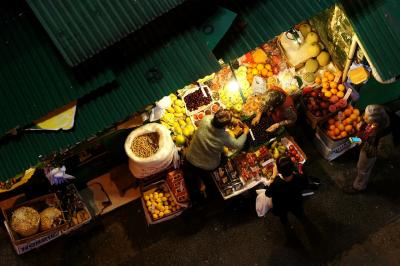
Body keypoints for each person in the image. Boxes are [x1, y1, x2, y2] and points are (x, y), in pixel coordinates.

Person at [184, 109, 249, 202]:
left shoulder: (205, 120)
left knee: (191, 184)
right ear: (225, 126)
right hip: (207, 166)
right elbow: (237, 144)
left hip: (190, 158)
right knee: (210, 175)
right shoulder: (224, 136)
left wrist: (232, 120)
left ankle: (196, 199)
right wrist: (245, 132)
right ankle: (210, 197)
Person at [347, 104, 394, 193]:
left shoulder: (385, 137)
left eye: (365, 118)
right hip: (367, 142)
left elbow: (381, 153)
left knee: (363, 169)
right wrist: (360, 124)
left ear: (375, 124)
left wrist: (362, 144)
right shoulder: (378, 112)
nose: (363, 117)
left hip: (369, 153)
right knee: (360, 165)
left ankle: (359, 186)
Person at [266, 157, 308, 228]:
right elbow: (305, 185)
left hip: (282, 206)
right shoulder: (299, 177)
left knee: (283, 217)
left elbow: (268, 194)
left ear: (278, 171)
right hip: (296, 201)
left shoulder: (276, 183)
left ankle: (287, 225)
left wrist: (273, 176)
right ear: (292, 167)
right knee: (298, 212)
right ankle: (301, 218)